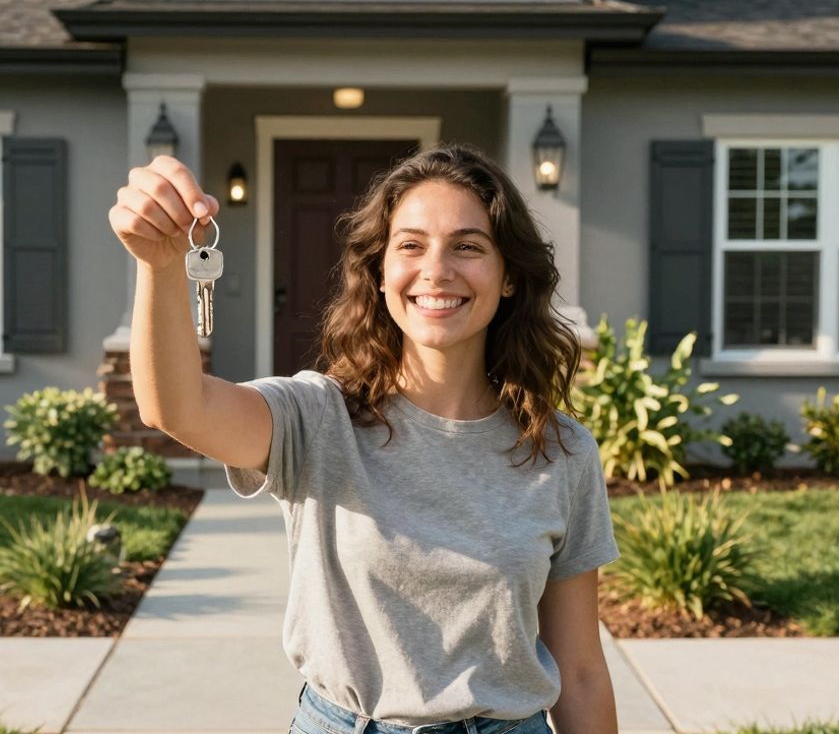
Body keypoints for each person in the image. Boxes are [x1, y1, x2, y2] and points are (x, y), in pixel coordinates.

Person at [109, 144, 620, 734]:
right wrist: (159, 263)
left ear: (508, 277)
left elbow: (580, 670)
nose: (436, 269)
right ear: (380, 275)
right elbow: (176, 406)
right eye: (410, 245)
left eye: (468, 245)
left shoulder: (560, 451)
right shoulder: (318, 418)